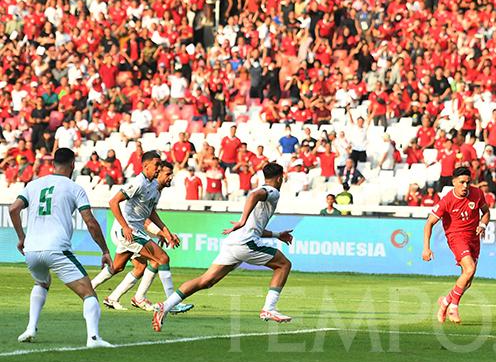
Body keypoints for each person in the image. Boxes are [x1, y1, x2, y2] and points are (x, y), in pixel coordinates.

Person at [152, 163, 295, 331]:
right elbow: (254, 195)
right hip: (245, 243)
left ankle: (165, 306)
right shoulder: (273, 192)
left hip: (235, 242)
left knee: (206, 281)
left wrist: (278, 235)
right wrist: (242, 221)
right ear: (280, 178)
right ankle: (269, 309)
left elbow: (255, 227)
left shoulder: (264, 193)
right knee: (284, 265)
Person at [10, 148, 113, 347]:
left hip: (31, 251)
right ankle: (94, 339)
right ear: (73, 165)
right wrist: (105, 251)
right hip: (56, 249)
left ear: (52, 164)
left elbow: (13, 209)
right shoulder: (74, 188)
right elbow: (90, 222)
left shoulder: (33, 184)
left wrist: (22, 238)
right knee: (88, 293)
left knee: (41, 283)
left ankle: (31, 327)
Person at [91, 152, 190, 313]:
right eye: (157, 165)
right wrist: (125, 226)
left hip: (136, 230)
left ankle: (95, 289)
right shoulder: (138, 183)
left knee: (119, 266)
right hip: (129, 231)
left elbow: (151, 213)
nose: (158, 169)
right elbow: (113, 201)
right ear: (146, 166)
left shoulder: (153, 187)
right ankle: (171, 304)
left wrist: (166, 232)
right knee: (162, 258)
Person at [422, 167, 491, 324]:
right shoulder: (446, 200)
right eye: (462, 182)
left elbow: (486, 212)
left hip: (474, 238)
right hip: (456, 238)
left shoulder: (477, 193)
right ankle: (453, 307)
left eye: (468, 182)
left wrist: (483, 224)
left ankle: (445, 302)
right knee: (470, 269)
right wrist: (426, 247)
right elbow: (429, 223)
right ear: (454, 182)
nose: (465, 186)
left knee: (467, 280)